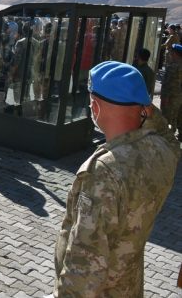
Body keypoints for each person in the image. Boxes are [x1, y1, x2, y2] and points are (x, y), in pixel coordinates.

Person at [53, 61, 177, 297]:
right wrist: (143, 107)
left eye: (91, 101)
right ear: (144, 106)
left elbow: (84, 267)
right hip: (129, 286)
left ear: (96, 107)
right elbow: (167, 134)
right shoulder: (162, 150)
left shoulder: (103, 172)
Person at [160, 44, 182, 139]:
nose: (168, 53)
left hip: (171, 97)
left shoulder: (173, 66)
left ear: (174, 53)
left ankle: (168, 140)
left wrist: (165, 98)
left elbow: (168, 84)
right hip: (179, 96)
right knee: (179, 117)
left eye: (170, 51)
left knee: (168, 119)